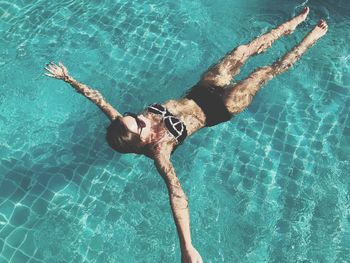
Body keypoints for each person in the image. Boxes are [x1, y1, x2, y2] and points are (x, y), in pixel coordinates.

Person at [45, 7, 327, 263]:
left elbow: (98, 99)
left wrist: (68, 79)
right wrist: (187, 247)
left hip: (202, 89)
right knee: (266, 71)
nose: (141, 118)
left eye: (134, 116)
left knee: (242, 50)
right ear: (141, 141)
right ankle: (307, 41)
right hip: (222, 107)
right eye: (139, 125)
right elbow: (177, 195)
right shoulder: (159, 151)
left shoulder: (124, 124)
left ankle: (288, 26)